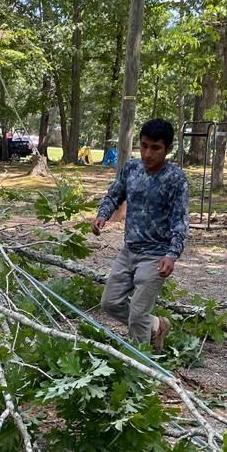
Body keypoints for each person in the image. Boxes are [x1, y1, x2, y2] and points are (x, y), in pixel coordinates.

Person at [91, 118, 189, 349]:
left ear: (168, 149)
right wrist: (102, 215)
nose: (147, 153)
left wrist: (172, 255)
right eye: (144, 145)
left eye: (155, 148)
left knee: (137, 314)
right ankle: (156, 326)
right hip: (129, 250)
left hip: (156, 256)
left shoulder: (176, 180)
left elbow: (180, 221)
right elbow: (115, 194)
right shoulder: (131, 169)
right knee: (110, 302)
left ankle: (141, 367)